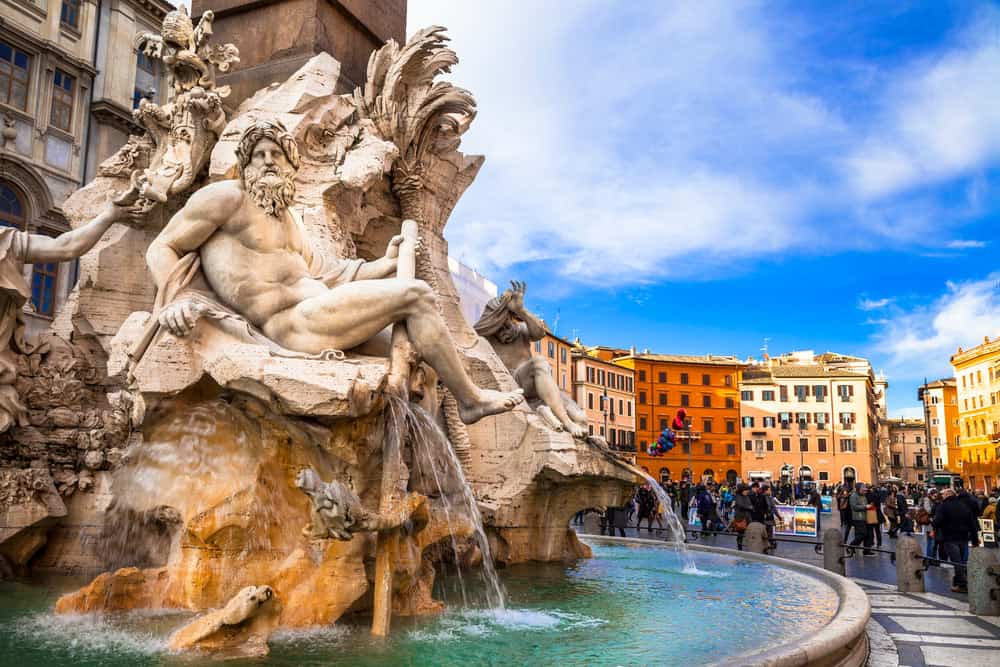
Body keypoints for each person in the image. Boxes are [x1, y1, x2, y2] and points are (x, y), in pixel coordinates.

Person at [145, 120, 524, 425]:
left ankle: (419, 478)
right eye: (257, 155)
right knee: (417, 296)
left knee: (425, 361)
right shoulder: (227, 198)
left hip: (321, 312)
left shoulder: (290, 219)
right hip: (288, 326)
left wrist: (386, 264)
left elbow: (327, 275)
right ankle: (471, 401)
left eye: (275, 153)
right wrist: (175, 299)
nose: (267, 161)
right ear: (244, 166)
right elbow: (163, 246)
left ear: (292, 165)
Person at [932, 488, 976, 593]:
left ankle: (962, 585)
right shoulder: (963, 505)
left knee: (956, 561)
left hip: (950, 537)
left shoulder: (943, 506)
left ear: (947, 495)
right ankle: (958, 582)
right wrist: (975, 540)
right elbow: (972, 523)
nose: (941, 496)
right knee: (960, 560)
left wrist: (933, 522)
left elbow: (937, 521)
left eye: (942, 494)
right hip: (964, 537)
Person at [849, 482, 874, 555]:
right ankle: (851, 546)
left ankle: (866, 550)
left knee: (869, 534)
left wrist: (869, 506)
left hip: (866, 517)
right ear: (858, 489)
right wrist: (865, 507)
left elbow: (865, 504)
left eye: (865, 490)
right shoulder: (854, 496)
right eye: (863, 490)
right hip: (858, 518)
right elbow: (854, 507)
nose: (864, 491)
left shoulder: (864, 496)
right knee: (862, 534)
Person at [732, 484, 753, 550]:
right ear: (742, 490)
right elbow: (741, 505)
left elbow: (750, 504)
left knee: (748, 531)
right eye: (746, 490)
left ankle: (746, 544)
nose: (747, 492)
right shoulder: (738, 496)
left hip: (747, 517)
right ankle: (739, 545)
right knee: (740, 532)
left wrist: (750, 507)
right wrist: (749, 507)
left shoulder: (746, 496)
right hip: (740, 517)